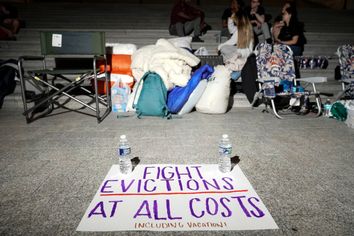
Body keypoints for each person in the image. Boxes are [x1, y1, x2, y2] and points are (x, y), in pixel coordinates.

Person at [218, 10, 254, 81]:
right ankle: (234, 66)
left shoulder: (246, 30)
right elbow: (231, 29)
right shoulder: (239, 29)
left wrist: (239, 54)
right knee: (224, 48)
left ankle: (238, 68)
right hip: (238, 52)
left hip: (245, 55)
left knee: (224, 49)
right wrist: (231, 17)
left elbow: (249, 51)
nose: (235, 22)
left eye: (236, 20)